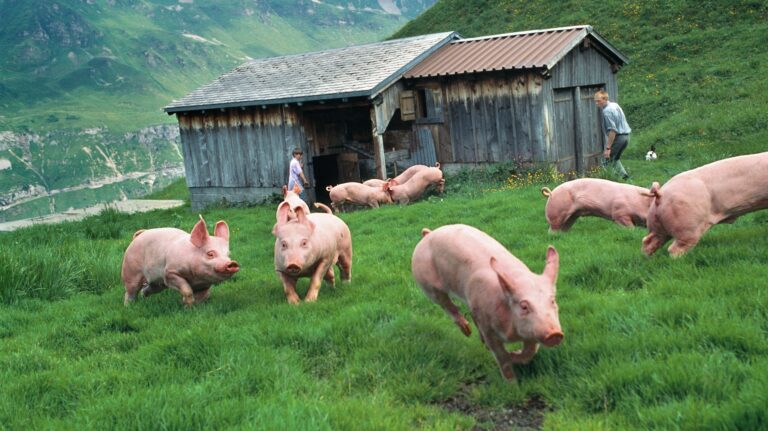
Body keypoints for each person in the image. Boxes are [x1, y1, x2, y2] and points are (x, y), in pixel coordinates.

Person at [594, 90, 632, 180]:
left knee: (606, 160)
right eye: (595, 101)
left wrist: (608, 148)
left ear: (605, 99)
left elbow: (612, 130)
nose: (596, 103)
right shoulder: (615, 105)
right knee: (615, 159)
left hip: (619, 138)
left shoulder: (606, 111)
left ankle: (611, 180)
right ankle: (625, 178)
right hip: (626, 136)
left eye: (598, 101)